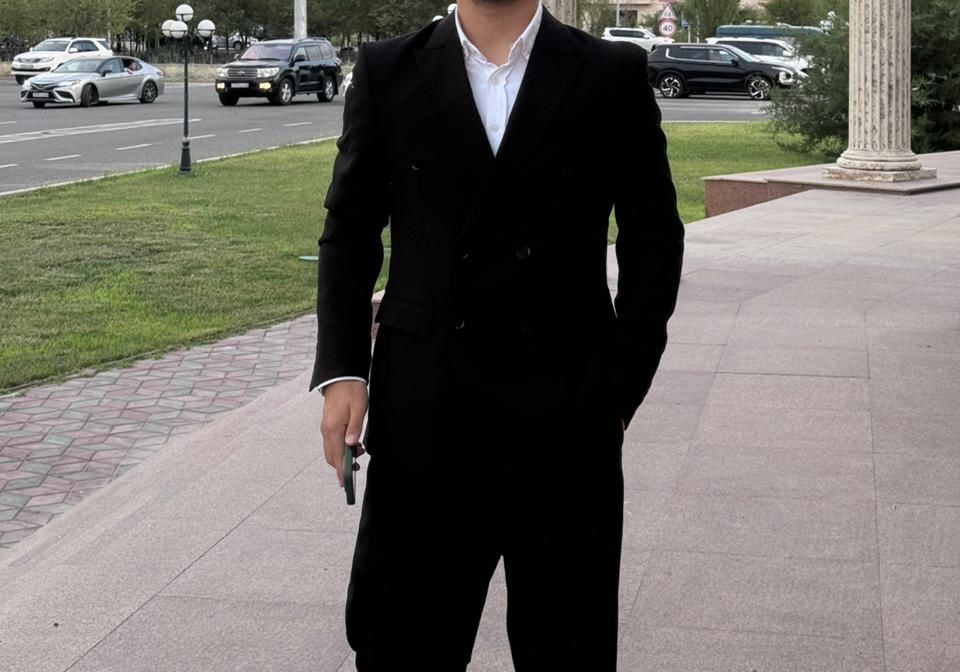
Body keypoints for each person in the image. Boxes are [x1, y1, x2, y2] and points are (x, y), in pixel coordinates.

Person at [311, 0, 683, 669]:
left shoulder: (609, 72)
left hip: (566, 415)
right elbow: (349, 233)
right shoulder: (388, 68)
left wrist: (618, 387)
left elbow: (653, 235)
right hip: (425, 410)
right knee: (402, 645)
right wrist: (343, 371)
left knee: (567, 648)